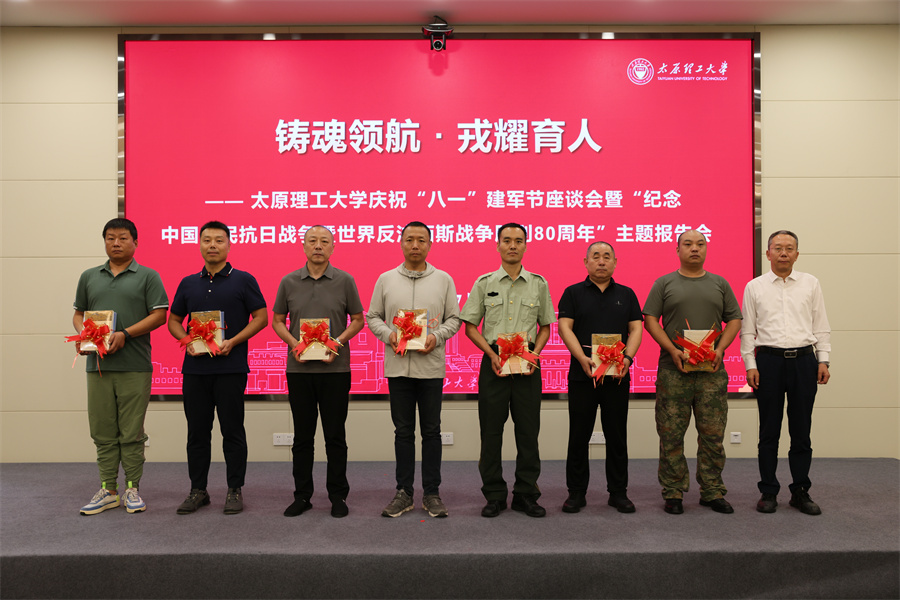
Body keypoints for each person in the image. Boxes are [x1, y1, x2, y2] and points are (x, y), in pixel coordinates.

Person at [168, 221, 267, 515]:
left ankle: (234, 489)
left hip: (230, 368)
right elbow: (174, 320)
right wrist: (185, 340)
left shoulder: (244, 280)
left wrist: (233, 341)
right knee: (197, 433)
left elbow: (261, 317)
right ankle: (198, 490)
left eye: (219, 240)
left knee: (232, 431)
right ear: (199, 244)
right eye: (207, 240)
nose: (212, 245)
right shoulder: (188, 282)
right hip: (195, 370)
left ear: (229, 245)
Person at [73, 218, 169, 515]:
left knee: (131, 432)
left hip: (135, 366)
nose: (116, 243)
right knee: (102, 430)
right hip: (98, 366)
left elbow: (160, 315)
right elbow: (78, 314)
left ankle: (132, 489)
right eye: (110, 238)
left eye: (123, 238)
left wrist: (125, 334)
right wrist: (83, 335)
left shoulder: (148, 276)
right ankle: (108, 489)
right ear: (104, 241)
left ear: (135, 242)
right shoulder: (89, 276)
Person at [643, 229, 742, 515]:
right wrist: (672, 349)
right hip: (673, 371)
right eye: (688, 244)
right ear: (678, 250)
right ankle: (673, 491)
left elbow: (735, 319)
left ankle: (712, 490)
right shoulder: (664, 283)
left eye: (700, 244)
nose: (694, 248)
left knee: (713, 435)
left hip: (711, 371)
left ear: (706, 249)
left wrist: (721, 349)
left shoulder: (719, 283)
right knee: (671, 434)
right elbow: (650, 320)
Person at [460, 223, 556, 518]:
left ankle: (526, 494)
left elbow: (545, 326)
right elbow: (470, 326)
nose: (513, 245)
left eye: (518, 240)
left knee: (528, 432)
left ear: (526, 245)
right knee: (491, 433)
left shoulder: (538, 283)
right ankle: (494, 495)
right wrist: (491, 354)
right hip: (494, 365)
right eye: (507, 240)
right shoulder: (484, 282)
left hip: (528, 367)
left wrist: (535, 355)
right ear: (498, 245)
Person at [366, 221, 462, 518]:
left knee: (432, 432)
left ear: (430, 244)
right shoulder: (386, 279)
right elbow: (373, 317)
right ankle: (404, 492)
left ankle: (431, 493)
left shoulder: (444, 279)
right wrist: (390, 335)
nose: (415, 245)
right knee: (403, 432)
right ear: (401, 243)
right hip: (398, 368)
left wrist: (437, 336)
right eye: (410, 239)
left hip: (430, 368)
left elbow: (454, 319)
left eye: (421, 240)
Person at [272, 226, 365, 518]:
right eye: (312, 241)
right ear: (303, 246)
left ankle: (338, 495)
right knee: (302, 437)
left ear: (333, 247)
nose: (318, 246)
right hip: (299, 370)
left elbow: (358, 320)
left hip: (335, 370)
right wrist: (294, 344)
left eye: (324, 241)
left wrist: (337, 342)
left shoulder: (345, 280)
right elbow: (277, 321)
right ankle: (302, 496)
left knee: (335, 436)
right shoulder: (288, 281)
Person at [741, 230, 831, 515]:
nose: (783, 253)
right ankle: (768, 491)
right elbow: (747, 330)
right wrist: (750, 365)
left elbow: (821, 325)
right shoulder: (754, 286)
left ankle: (800, 491)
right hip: (768, 362)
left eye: (789, 248)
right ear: (767, 253)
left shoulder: (810, 283)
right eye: (777, 248)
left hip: (804, 361)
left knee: (801, 430)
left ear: (797, 254)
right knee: (769, 430)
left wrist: (824, 360)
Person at [557, 241, 643, 514]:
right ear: (586, 262)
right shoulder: (572, 293)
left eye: (607, 256)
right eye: (596, 256)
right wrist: (581, 358)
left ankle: (618, 493)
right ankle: (576, 492)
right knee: (578, 435)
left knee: (617, 436)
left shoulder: (627, 294)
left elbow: (636, 329)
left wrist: (628, 358)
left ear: (615, 262)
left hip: (617, 376)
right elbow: (564, 327)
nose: (602, 261)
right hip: (582, 375)